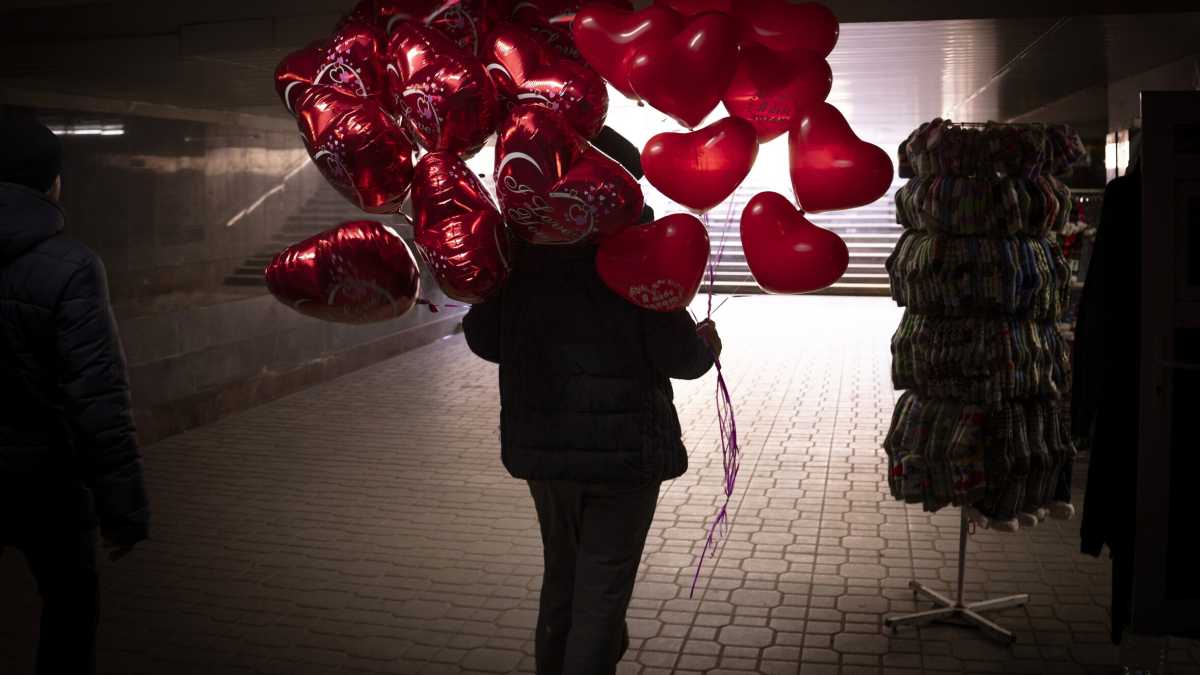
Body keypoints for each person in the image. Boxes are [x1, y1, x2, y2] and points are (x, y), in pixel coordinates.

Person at [462, 127, 721, 675]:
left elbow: (485, 340)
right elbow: (681, 357)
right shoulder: (642, 251)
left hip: (548, 456)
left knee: (563, 577)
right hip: (624, 457)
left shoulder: (522, 251)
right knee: (603, 590)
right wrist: (706, 343)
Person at [1, 115, 150, 674]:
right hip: (47, 483)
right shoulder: (69, 268)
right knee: (69, 608)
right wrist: (124, 509)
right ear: (49, 184)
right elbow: (97, 397)